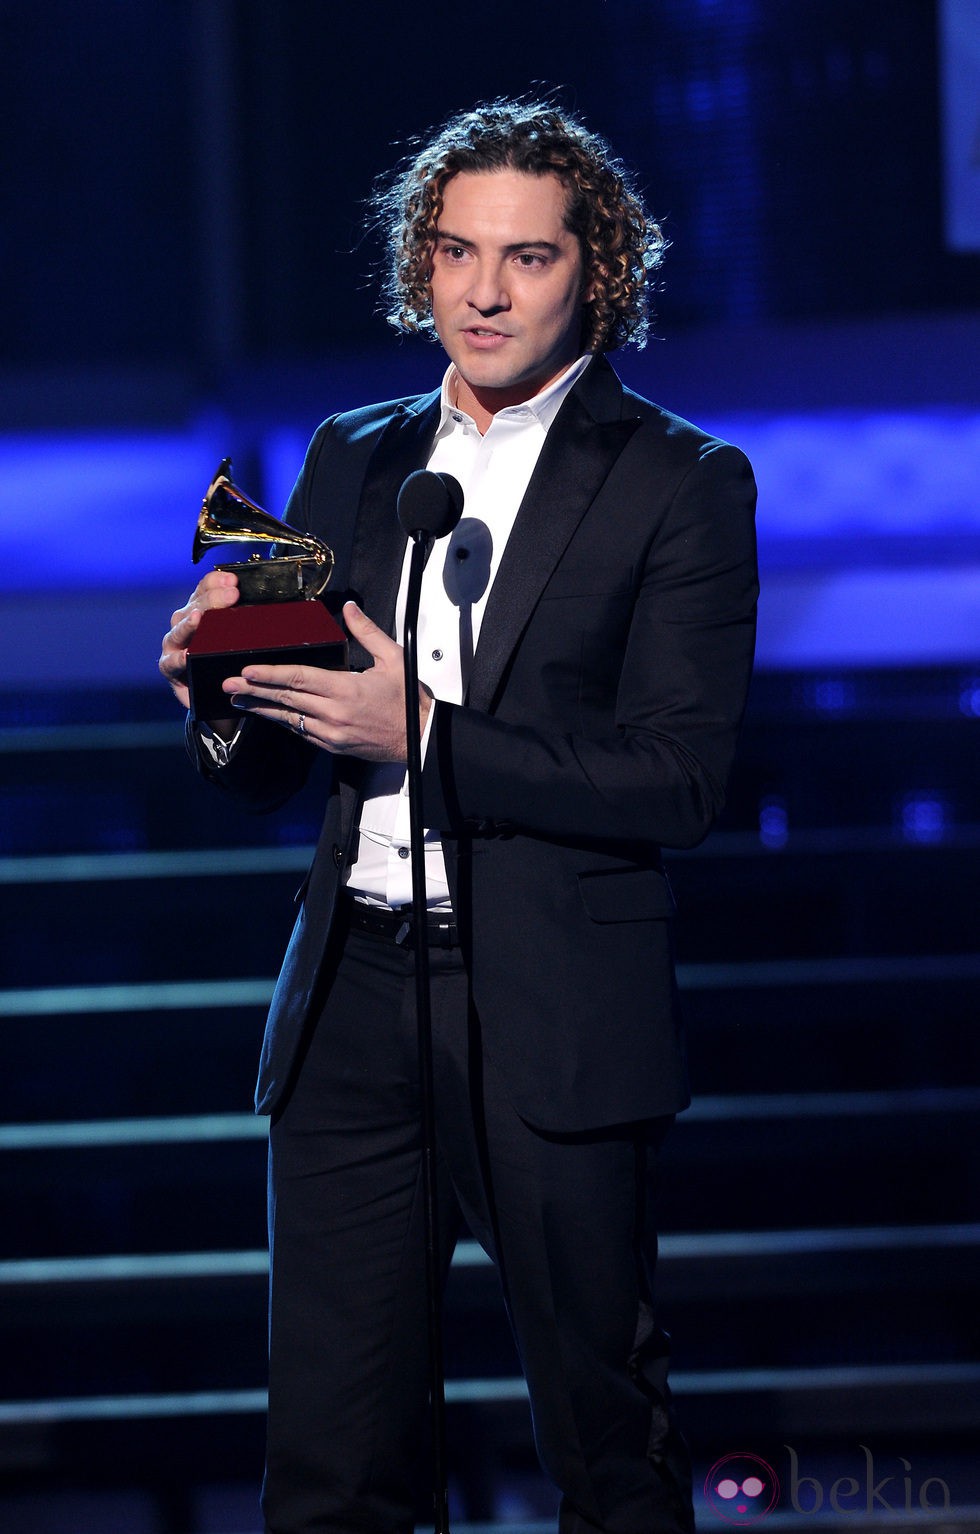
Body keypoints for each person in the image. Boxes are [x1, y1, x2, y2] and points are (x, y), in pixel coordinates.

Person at [160, 96, 758, 1534]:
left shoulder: (682, 479)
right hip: (354, 996)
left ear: (594, 271)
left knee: (609, 1446)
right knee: (330, 1461)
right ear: (417, 262)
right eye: (455, 252)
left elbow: (678, 779)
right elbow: (268, 766)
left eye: (529, 258)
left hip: (549, 998)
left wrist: (422, 736)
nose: (484, 292)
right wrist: (216, 694)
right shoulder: (352, 453)